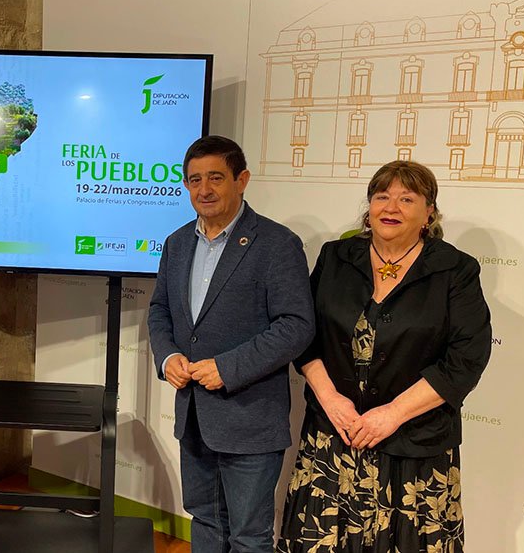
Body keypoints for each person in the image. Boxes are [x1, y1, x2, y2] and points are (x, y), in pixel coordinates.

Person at [276, 160, 492, 553]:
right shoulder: (335, 257)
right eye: (382, 196)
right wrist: (331, 399)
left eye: (407, 199)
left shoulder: (455, 270)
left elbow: (466, 359)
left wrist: (392, 414)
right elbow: (304, 335)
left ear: (429, 212)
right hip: (334, 438)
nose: (391, 207)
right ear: (369, 206)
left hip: (414, 448)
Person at [148, 135, 315, 552]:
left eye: (216, 178)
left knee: (248, 537)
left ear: (242, 180)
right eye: (194, 180)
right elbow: (159, 310)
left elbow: (296, 326)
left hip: (250, 420)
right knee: (205, 521)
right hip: (194, 417)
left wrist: (227, 368)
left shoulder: (277, 244)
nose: (204, 189)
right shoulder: (177, 243)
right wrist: (167, 355)